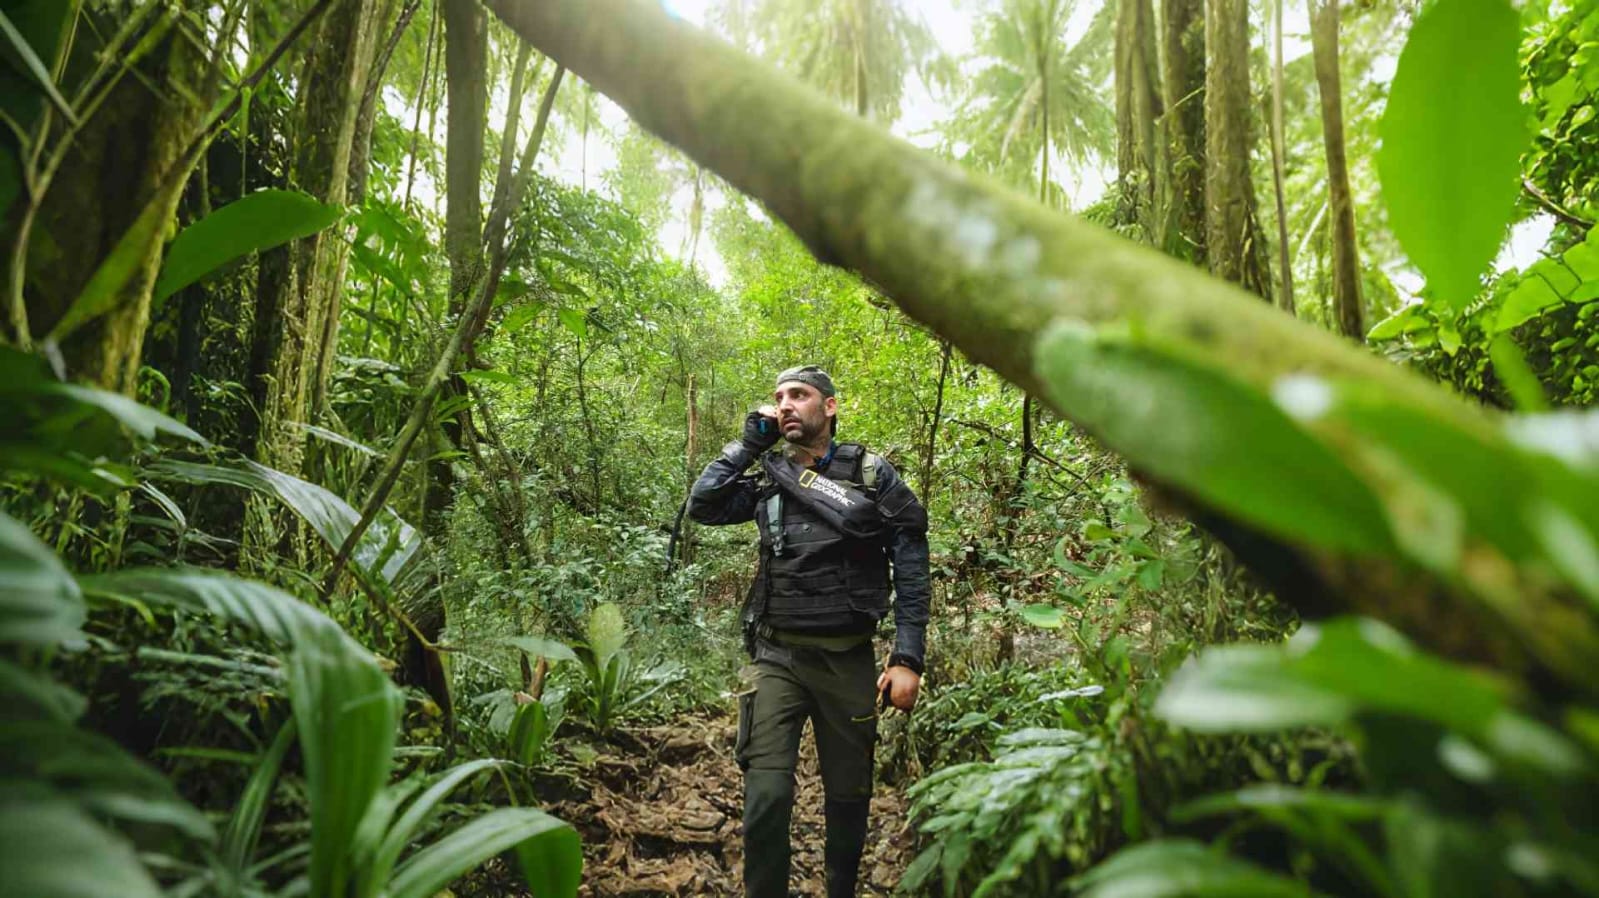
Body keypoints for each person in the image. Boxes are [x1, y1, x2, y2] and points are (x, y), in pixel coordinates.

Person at [688, 365, 930, 898]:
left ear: (830, 406)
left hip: (847, 660)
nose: (785, 405)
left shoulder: (870, 474)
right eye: (779, 398)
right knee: (766, 796)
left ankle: (840, 887)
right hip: (776, 657)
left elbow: (912, 560)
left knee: (849, 795)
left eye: (798, 395)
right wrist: (747, 445)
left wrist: (907, 656)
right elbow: (702, 506)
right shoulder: (768, 476)